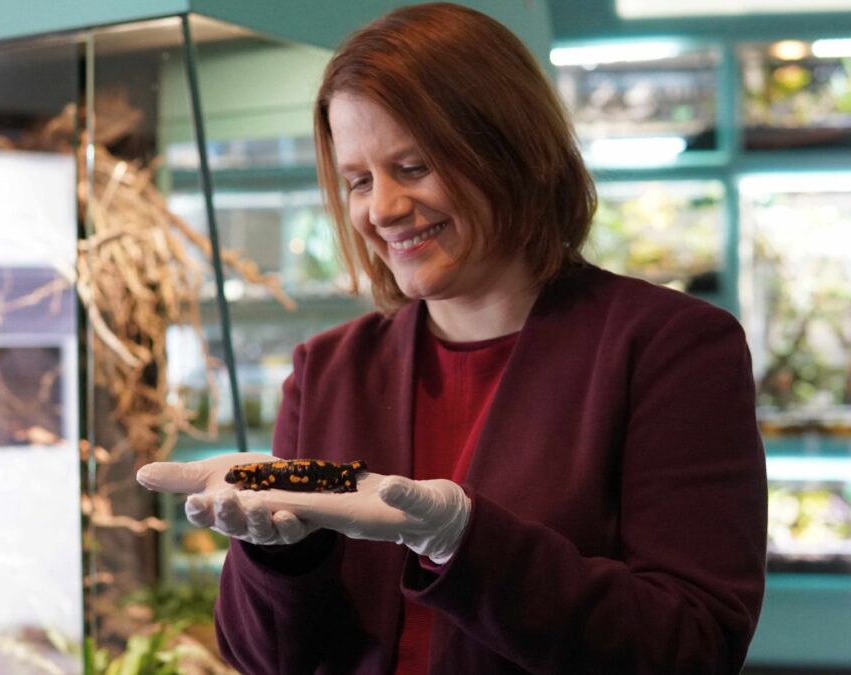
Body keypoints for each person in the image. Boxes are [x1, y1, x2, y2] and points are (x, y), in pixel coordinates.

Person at [138, 3, 768, 673]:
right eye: (358, 180)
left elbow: (692, 646)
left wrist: (466, 540)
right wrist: (281, 553)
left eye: (411, 168)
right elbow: (262, 658)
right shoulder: (328, 369)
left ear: (511, 149)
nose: (380, 209)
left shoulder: (669, 348)